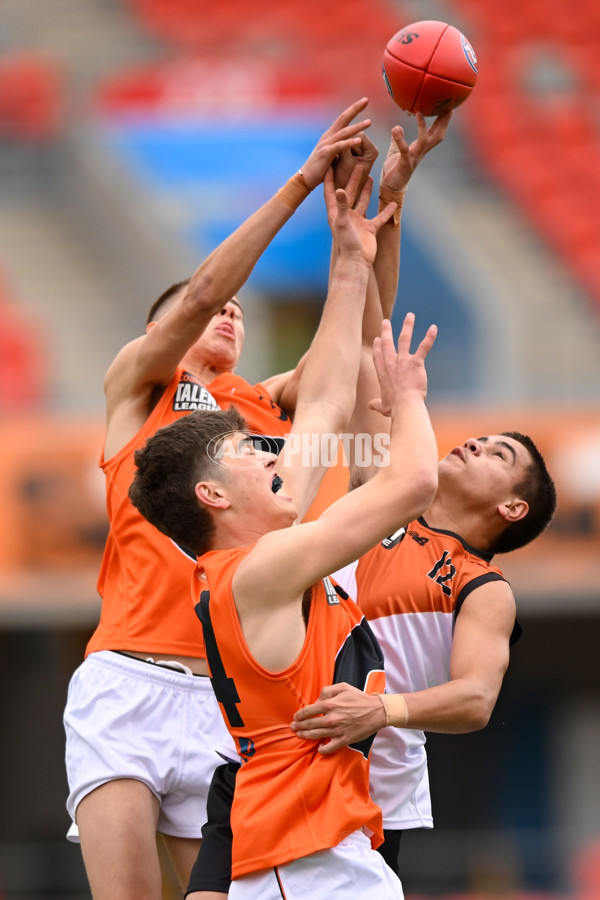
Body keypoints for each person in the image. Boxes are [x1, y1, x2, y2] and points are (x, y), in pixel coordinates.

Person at [63, 98, 381, 900]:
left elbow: (345, 364)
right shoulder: (141, 388)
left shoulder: (254, 418)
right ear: (157, 330)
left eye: (241, 310)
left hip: (224, 693)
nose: (226, 312)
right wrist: (303, 182)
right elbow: (204, 290)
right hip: (127, 679)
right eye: (205, 311)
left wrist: (369, 238)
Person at [128, 164, 440, 898]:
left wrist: (353, 257)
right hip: (298, 864)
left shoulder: (269, 556)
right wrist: (410, 399)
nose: (273, 454)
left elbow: (328, 401)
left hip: (326, 851)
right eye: (249, 452)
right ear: (213, 494)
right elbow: (413, 482)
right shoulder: (263, 572)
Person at [292, 428, 557, 875]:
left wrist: (378, 709)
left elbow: (476, 700)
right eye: (481, 439)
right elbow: (365, 416)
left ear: (512, 507)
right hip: (274, 750)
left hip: (366, 792)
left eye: (499, 455)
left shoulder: (482, 587)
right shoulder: (381, 509)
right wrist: (372, 365)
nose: (476, 444)